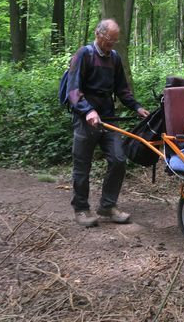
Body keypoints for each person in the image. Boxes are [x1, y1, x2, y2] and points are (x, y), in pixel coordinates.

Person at [66, 19, 149, 227]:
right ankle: (81, 209)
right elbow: (73, 90)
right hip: (86, 119)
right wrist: (88, 111)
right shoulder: (83, 54)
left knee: (119, 159)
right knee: (82, 165)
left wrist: (137, 107)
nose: (111, 44)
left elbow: (122, 89)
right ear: (98, 34)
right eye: (108, 40)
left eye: (114, 41)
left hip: (108, 118)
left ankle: (107, 205)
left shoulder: (114, 58)